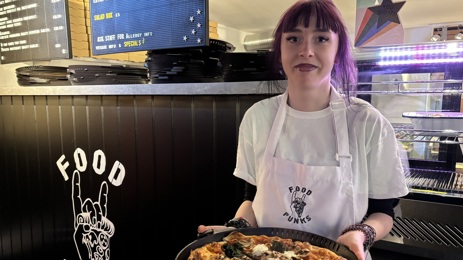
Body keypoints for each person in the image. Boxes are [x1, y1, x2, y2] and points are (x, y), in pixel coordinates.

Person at [198, 0, 409, 259]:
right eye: (294, 38)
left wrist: (362, 232)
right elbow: (252, 199)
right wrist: (235, 229)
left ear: (338, 49)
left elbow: (384, 212)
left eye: (321, 38)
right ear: (280, 49)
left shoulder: (367, 122)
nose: (306, 50)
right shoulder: (258, 117)